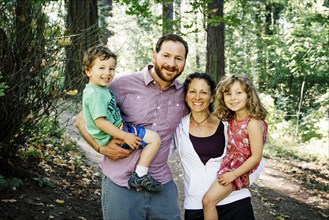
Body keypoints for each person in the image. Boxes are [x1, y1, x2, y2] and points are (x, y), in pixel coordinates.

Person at [75, 33, 189, 219]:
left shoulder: (184, 95)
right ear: (154, 56)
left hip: (160, 182)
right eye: (166, 56)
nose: (172, 63)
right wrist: (100, 148)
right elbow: (82, 120)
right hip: (120, 181)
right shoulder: (122, 84)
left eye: (179, 58)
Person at [170, 72, 264, 220]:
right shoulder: (177, 126)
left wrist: (248, 178)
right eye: (192, 91)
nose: (197, 97)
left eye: (204, 92)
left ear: (212, 96)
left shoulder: (228, 122)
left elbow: (255, 155)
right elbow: (162, 154)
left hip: (235, 200)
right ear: (186, 96)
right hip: (196, 204)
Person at [82, 45, 163, 192]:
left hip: (118, 130)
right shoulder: (95, 95)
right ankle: (140, 175)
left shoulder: (98, 89)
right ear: (88, 71)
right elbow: (100, 122)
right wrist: (125, 136)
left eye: (111, 68)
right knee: (155, 139)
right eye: (101, 68)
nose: (107, 73)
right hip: (119, 134)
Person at [202, 74, 268, 220]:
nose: (233, 98)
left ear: (249, 95)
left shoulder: (253, 123)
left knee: (208, 201)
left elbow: (256, 156)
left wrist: (234, 174)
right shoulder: (233, 118)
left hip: (240, 168)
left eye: (239, 93)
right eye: (228, 93)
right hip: (229, 163)